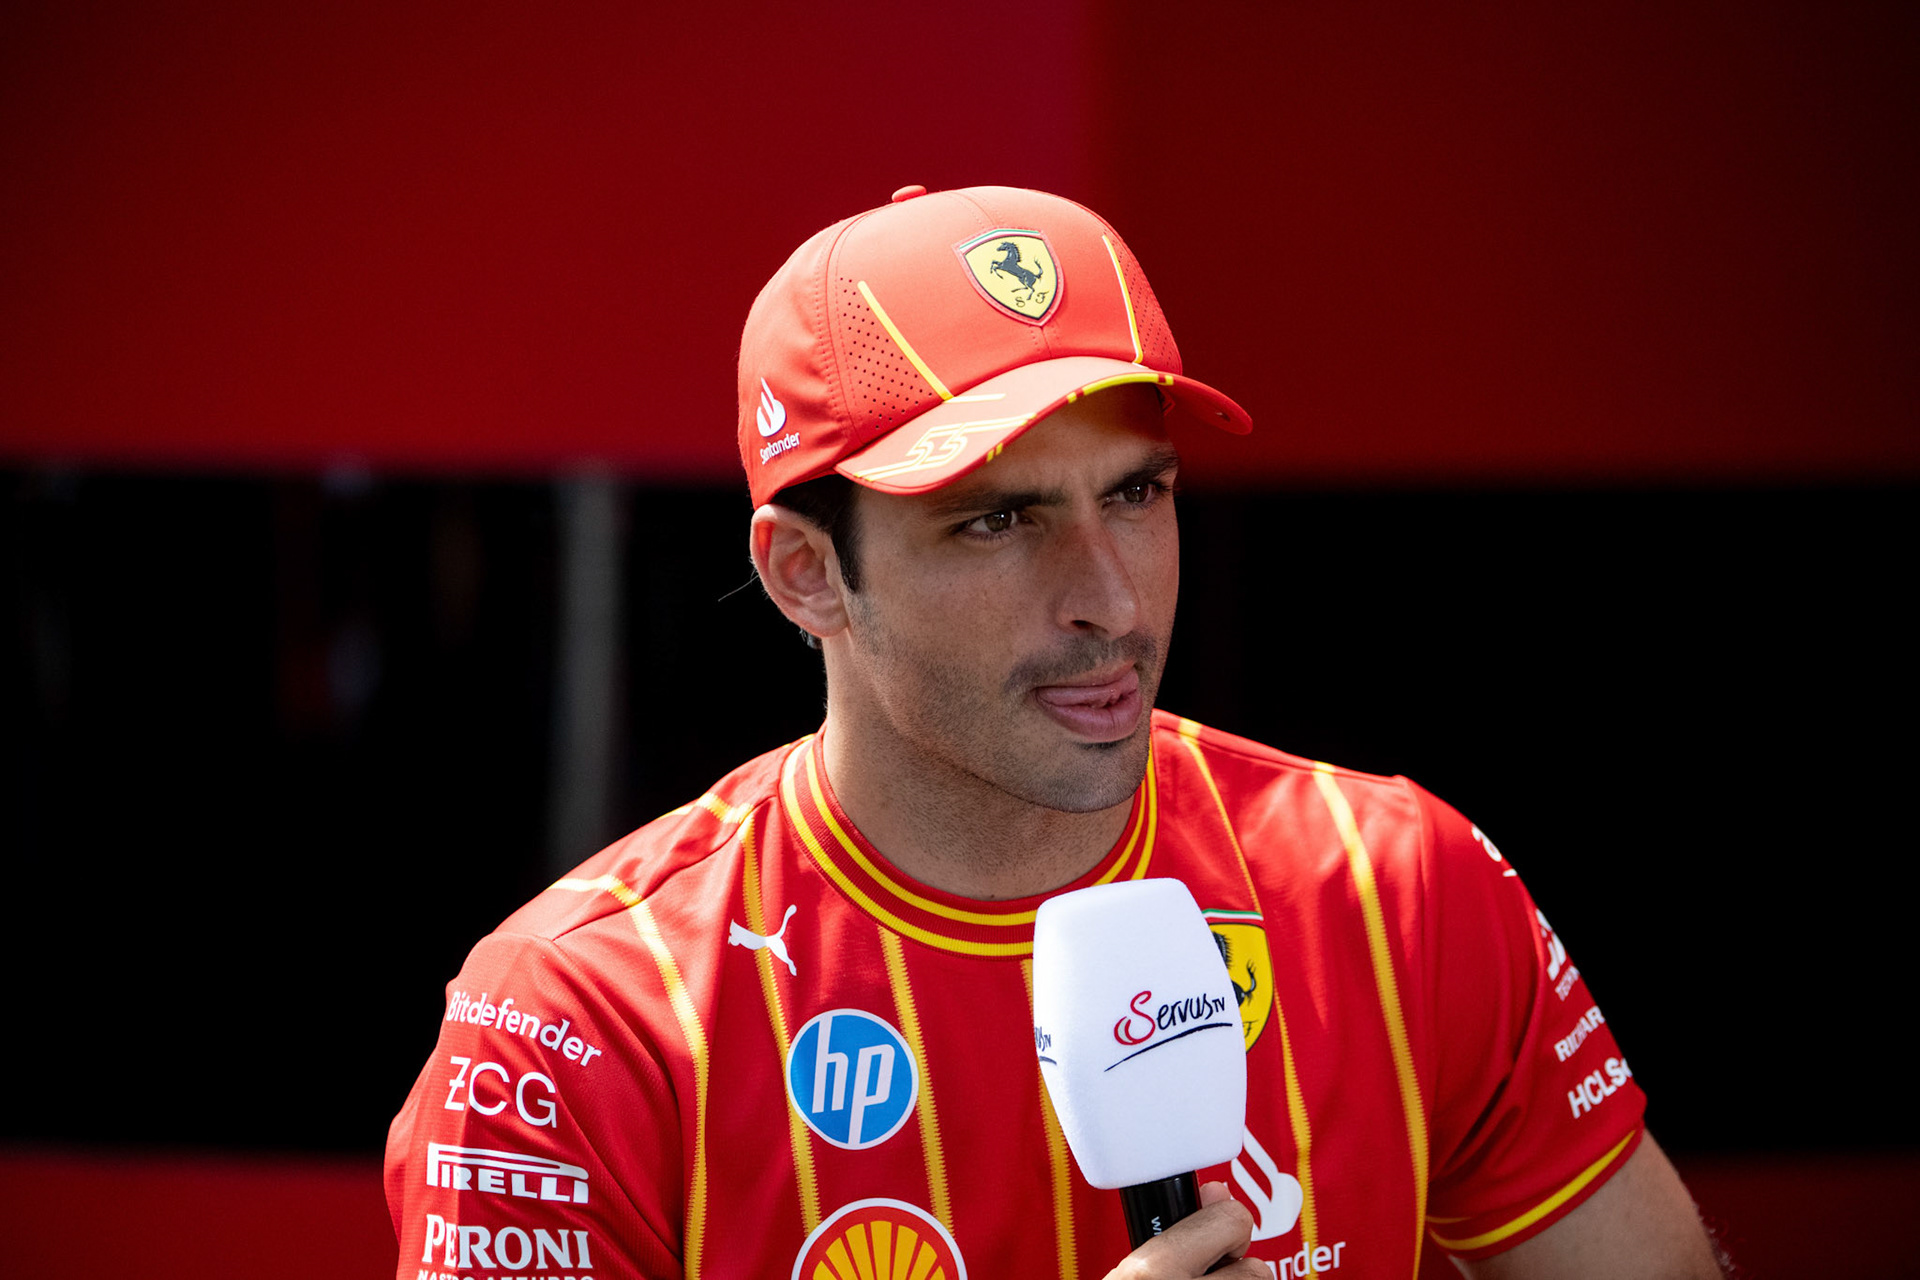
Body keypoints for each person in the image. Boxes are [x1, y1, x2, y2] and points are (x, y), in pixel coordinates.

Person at [386, 184, 1723, 1279]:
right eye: (999, 520)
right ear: (806, 574)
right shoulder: (574, 1027)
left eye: (1135, 493)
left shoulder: (1395, 890)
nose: (1110, 600)